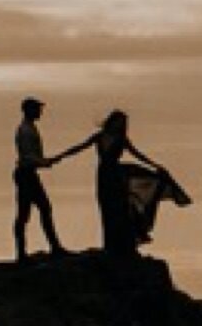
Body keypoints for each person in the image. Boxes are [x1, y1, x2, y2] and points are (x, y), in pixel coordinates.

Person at [72, 107, 183, 259]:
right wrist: (60, 156)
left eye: (123, 123)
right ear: (112, 121)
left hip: (117, 176)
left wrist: (154, 165)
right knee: (106, 208)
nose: (120, 125)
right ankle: (109, 245)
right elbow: (80, 147)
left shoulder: (122, 139)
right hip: (103, 175)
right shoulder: (99, 136)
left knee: (120, 209)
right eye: (119, 121)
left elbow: (137, 154)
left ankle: (124, 246)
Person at [11, 95, 71, 259]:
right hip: (26, 175)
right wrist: (45, 162)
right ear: (29, 110)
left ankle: (51, 247)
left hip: (28, 174)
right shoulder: (25, 130)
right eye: (37, 109)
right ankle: (24, 253)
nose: (40, 112)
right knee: (27, 213)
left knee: (39, 210)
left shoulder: (29, 128)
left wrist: (45, 162)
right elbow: (28, 157)